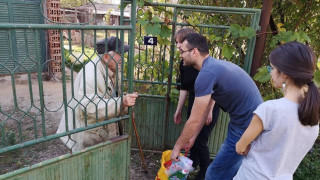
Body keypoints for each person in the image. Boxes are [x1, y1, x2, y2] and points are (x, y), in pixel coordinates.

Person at [170, 33, 263, 180]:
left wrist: (176, 147)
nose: (181, 55)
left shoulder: (206, 74)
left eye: (183, 52)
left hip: (246, 123)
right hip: (245, 120)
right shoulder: (213, 66)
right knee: (231, 169)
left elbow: (193, 120)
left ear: (194, 52)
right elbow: (204, 110)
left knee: (215, 173)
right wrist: (192, 137)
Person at [234, 42, 320, 179]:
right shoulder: (314, 118)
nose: (271, 73)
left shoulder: (270, 109)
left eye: (272, 68)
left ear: (284, 74)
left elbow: (240, 147)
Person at [56, 37, 138, 152]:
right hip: (86, 131)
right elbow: (90, 106)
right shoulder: (90, 74)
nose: (122, 58)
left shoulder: (112, 69)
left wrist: (124, 107)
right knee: (87, 164)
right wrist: (121, 102)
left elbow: (112, 95)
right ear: (105, 57)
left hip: (98, 128)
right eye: (119, 53)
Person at [173, 28, 220, 180]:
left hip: (209, 103)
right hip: (195, 102)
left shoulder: (205, 64)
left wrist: (210, 110)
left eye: (180, 42)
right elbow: (184, 87)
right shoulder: (184, 62)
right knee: (191, 137)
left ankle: (205, 172)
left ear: (191, 45)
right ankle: (192, 165)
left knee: (200, 140)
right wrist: (179, 110)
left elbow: (214, 89)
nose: (178, 46)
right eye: (177, 43)